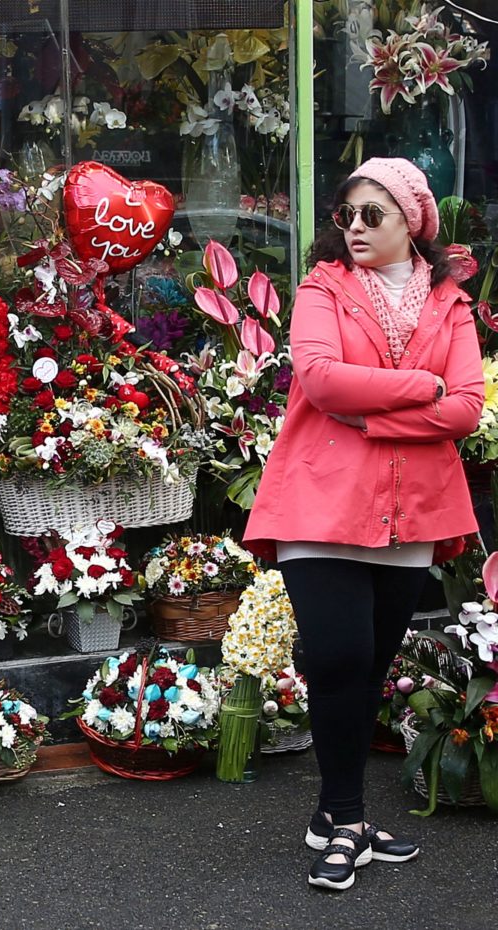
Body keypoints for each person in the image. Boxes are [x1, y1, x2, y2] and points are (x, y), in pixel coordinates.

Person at [243, 157, 484, 892]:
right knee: (340, 659)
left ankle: (332, 818)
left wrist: (368, 414)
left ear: (412, 221)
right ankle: (344, 819)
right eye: (344, 214)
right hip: (321, 504)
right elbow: (319, 378)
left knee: (369, 669)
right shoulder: (322, 288)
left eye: (371, 215)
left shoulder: (451, 303)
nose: (352, 228)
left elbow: (468, 407)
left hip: (409, 514)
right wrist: (420, 389)